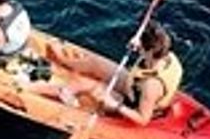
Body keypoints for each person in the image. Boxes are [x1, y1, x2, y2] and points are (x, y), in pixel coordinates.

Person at [48, 20, 183, 123]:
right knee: (96, 63)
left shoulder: (151, 86)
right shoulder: (166, 55)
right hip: (133, 87)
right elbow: (151, 49)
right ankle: (63, 60)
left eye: (141, 46)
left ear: (150, 51)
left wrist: (115, 105)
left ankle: (72, 104)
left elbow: (143, 119)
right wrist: (138, 44)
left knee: (90, 86)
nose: (138, 48)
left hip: (134, 103)